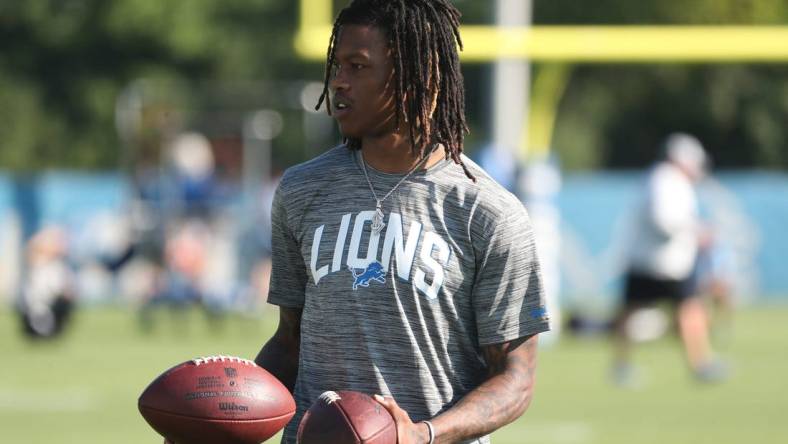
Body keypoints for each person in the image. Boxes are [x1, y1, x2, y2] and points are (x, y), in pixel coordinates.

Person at [253, 1, 550, 443]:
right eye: (336, 65)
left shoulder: (487, 212)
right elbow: (290, 344)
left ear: (416, 76)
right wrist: (226, 413)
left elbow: (516, 378)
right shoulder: (301, 191)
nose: (338, 81)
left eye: (357, 66)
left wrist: (424, 434)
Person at [612, 133, 727, 386]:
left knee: (688, 309)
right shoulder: (663, 179)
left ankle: (700, 363)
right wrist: (695, 231)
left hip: (668, 261)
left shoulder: (668, 180)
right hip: (657, 261)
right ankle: (622, 365)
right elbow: (663, 219)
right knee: (637, 312)